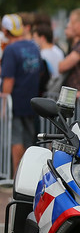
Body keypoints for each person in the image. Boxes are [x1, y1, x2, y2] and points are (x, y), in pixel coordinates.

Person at [1, 14, 43, 175]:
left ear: (6, 30)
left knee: (16, 139)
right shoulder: (33, 47)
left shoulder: (11, 50)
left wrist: (4, 105)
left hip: (15, 101)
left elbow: (8, 80)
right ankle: (28, 175)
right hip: (31, 101)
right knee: (28, 140)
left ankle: (15, 176)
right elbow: (39, 72)